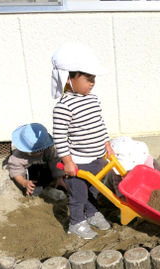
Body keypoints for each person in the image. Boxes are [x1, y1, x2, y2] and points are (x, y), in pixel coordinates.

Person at [51, 42, 115, 240]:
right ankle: (76, 223)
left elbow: (99, 124)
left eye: (93, 78)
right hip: (79, 161)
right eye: (88, 78)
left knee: (94, 190)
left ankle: (92, 213)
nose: (92, 82)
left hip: (97, 157)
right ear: (69, 78)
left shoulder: (93, 99)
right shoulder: (63, 106)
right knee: (78, 194)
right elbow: (60, 136)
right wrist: (68, 161)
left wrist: (107, 144)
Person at [7, 123, 66, 198]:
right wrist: (24, 182)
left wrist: (59, 177)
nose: (38, 153)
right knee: (34, 190)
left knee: (52, 168)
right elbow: (16, 173)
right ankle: (41, 192)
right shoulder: (17, 158)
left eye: (40, 150)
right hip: (29, 173)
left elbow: (55, 161)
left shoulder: (48, 149)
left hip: (43, 166)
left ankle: (52, 183)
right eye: (34, 152)